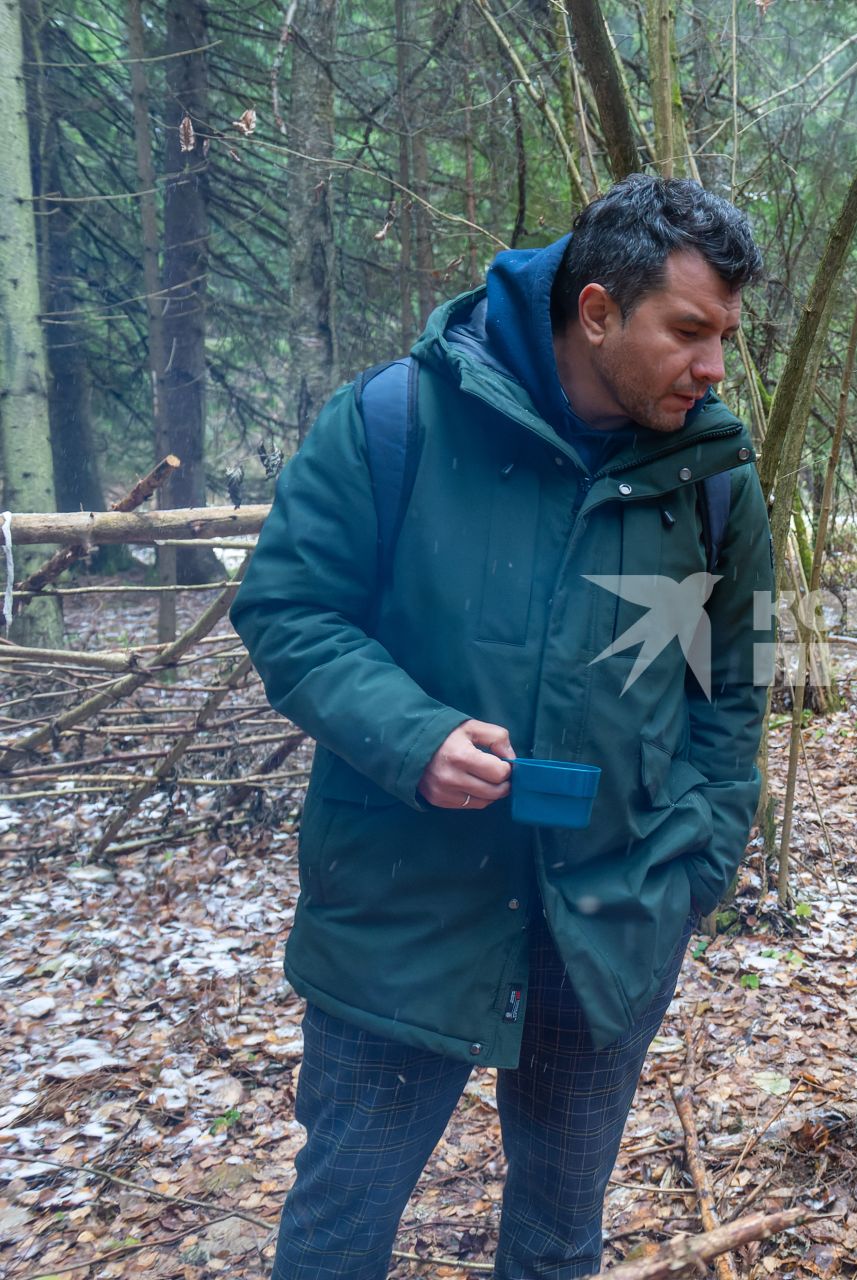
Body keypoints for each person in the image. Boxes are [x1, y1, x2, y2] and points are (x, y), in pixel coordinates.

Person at [232, 175, 774, 1279]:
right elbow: (288, 609)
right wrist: (411, 733)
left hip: (613, 915)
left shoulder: (711, 480)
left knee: (560, 1235)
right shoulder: (397, 422)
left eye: (724, 334)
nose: (714, 366)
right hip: (403, 906)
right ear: (594, 311)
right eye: (687, 331)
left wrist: (693, 870)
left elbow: (734, 692)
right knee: (341, 1223)